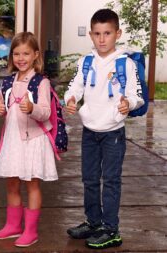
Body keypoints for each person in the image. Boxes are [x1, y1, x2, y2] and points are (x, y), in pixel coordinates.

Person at [64, 9, 144, 249]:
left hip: (113, 133)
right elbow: (75, 85)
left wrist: (128, 103)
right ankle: (94, 222)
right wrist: (70, 99)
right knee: (89, 179)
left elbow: (136, 94)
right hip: (90, 130)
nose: (102, 39)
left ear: (117, 34)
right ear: (91, 35)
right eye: (97, 33)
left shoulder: (125, 64)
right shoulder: (85, 61)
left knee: (110, 181)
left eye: (107, 33)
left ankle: (111, 229)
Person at [0, 32, 58, 248]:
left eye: (26, 54)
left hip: (33, 140)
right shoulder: (8, 80)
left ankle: (30, 230)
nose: (21, 58)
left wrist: (32, 108)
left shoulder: (41, 82)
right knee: (11, 182)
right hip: (12, 139)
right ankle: (13, 226)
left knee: (32, 184)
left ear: (35, 55)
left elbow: (46, 112)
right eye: (16, 54)